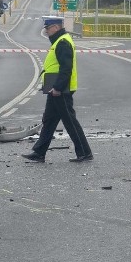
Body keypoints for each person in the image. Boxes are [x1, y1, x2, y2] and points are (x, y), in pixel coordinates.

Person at [22, 16, 93, 163]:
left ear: (55, 27)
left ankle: (85, 153)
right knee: (49, 120)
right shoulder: (59, 41)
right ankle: (39, 152)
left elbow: (66, 68)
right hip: (55, 88)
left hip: (61, 90)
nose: (47, 32)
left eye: (47, 29)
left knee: (70, 122)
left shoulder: (63, 42)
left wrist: (58, 88)